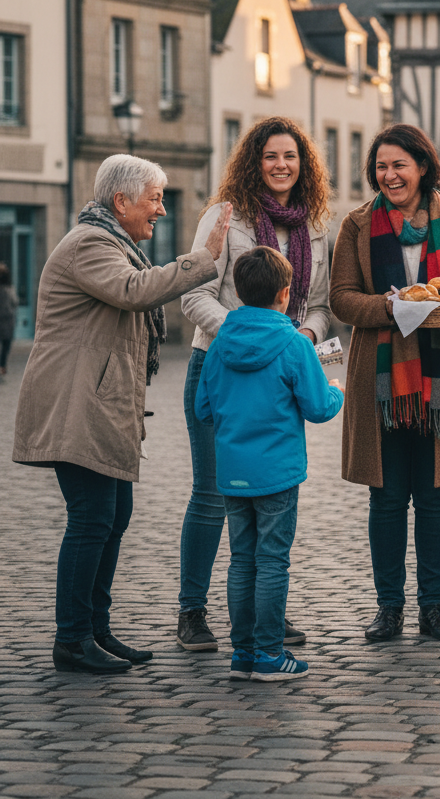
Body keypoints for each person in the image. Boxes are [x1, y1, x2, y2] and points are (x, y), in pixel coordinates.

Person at [12, 154, 230, 674]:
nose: (160, 209)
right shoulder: (90, 245)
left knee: (113, 518)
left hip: (103, 407)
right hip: (78, 406)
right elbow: (137, 292)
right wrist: (203, 258)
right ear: (121, 201)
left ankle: (95, 629)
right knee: (91, 521)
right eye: (155, 199)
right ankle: (71, 639)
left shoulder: (117, 244)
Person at [330, 124, 440, 643]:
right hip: (380, 383)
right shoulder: (358, 225)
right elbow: (341, 299)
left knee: (435, 498)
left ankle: (433, 608)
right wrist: (392, 307)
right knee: (386, 498)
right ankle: (389, 608)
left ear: (423, 166)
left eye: (399, 164)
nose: (389, 174)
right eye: (381, 166)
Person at [177, 116, 333, 653]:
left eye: (290, 156)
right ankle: (192, 612)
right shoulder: (224, 217)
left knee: (269, 496)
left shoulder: (314, 226)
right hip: (219, 366)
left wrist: (304, 337)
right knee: (211, 494)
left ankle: (267, 616)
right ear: (253, 161)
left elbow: (320, 306)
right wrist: (250, 336)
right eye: (270, 156)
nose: (281, 165)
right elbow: (194, 294)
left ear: (303, 163)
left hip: (282, 373)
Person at [194, 247, 343, 682]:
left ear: (238, 293)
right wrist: (334, 388)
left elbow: (204, 407)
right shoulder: (294, 345)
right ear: (285, 294)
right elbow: (317, 408)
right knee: (273, 561)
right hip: (277, 472)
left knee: (242, 560)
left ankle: (242, 654)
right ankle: (270, 655)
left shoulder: (220, 344)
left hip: (233, 473)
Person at [0, 262, 16, 379]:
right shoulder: (9, 289)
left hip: (6, 320)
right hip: (7, 320)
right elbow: (15, 302)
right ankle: (2, 366)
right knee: (6, 345)